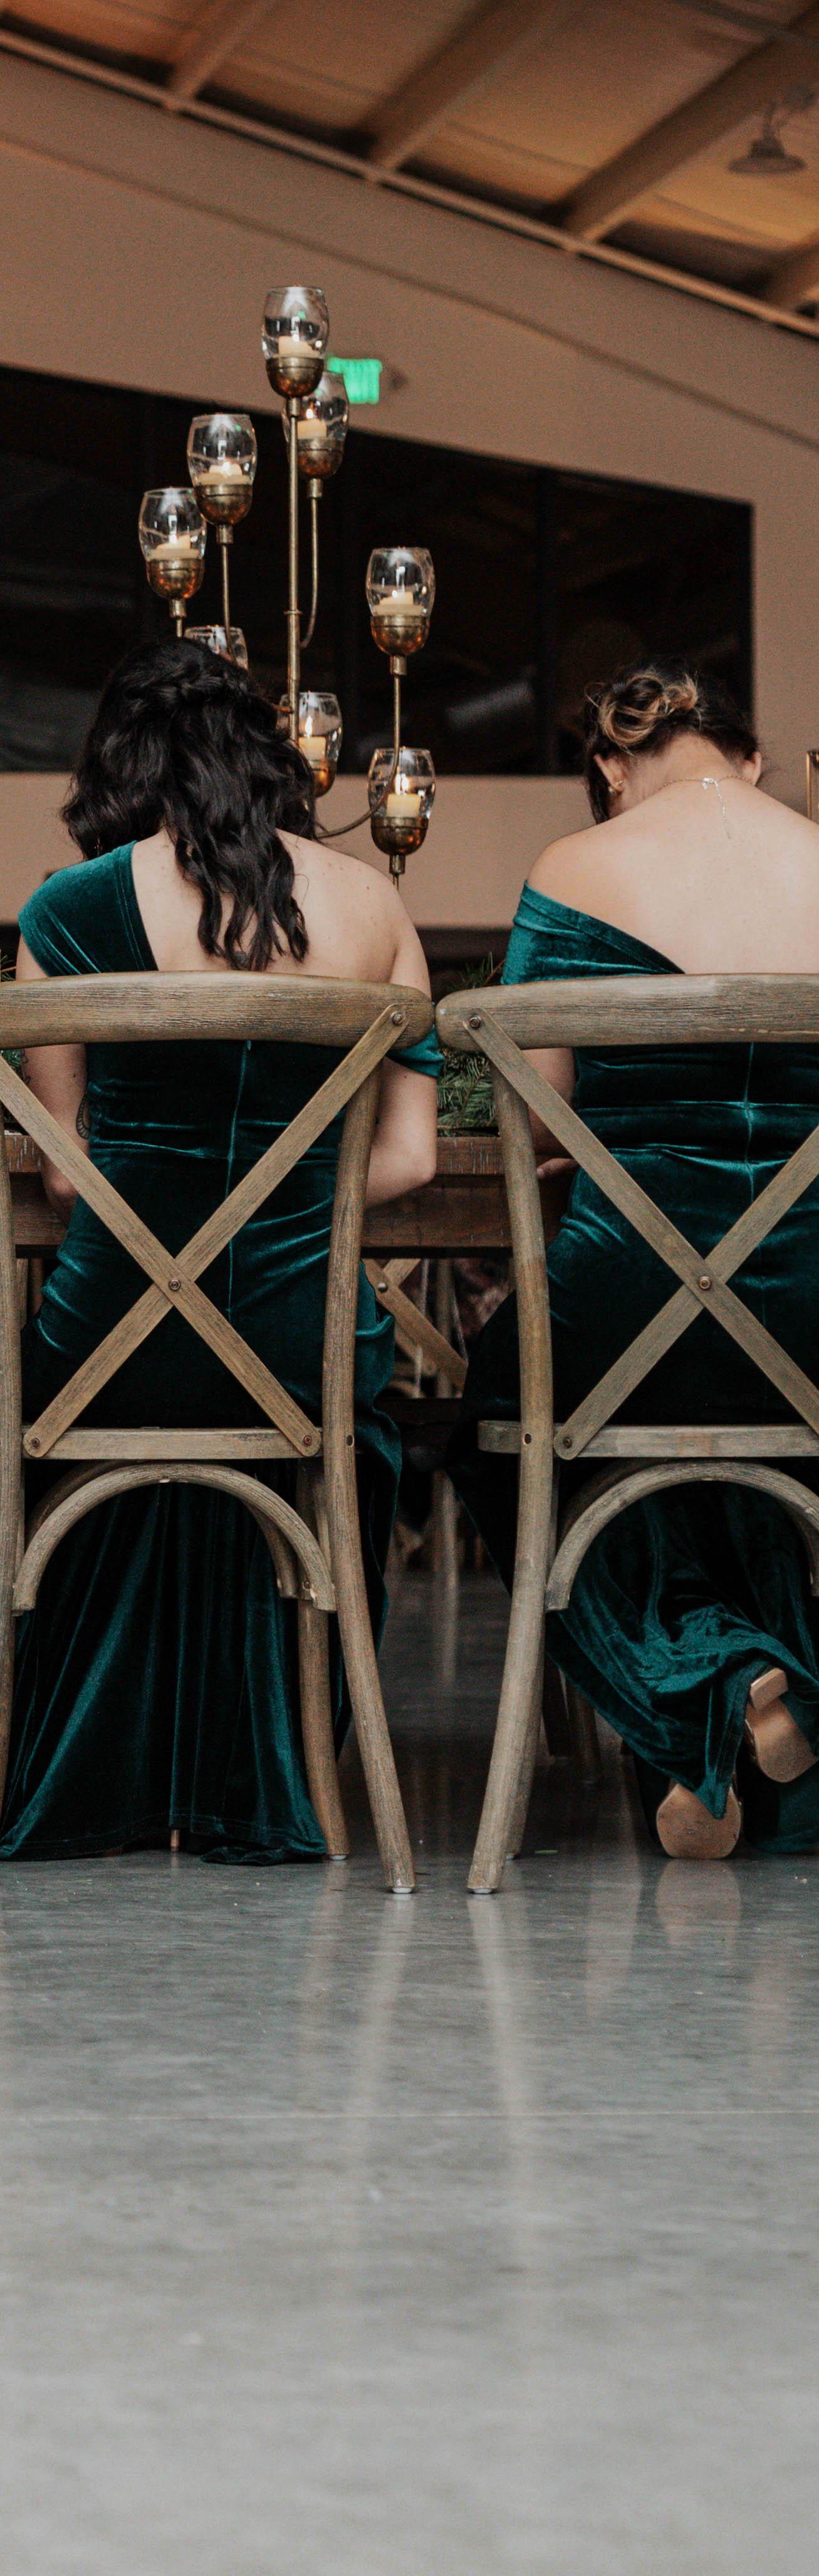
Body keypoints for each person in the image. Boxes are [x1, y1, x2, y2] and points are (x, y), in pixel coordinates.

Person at [0, 638, 437, 1862]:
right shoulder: (372, 907)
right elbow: (409, 1159)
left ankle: (102, 1776)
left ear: (118, 767)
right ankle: (267, 1769)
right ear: (267, 757)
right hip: (300, 1342)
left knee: (97, 1387)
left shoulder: (67, 909)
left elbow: (62, 1173)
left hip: (112, 1344)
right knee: (334, 1413)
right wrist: (272, 1200)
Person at [455, 664, 819, 1860]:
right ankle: (759, 1695)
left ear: (612, 766)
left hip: (628, 1297)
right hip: (811, 1306)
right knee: (745, 1438)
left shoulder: (575, 868)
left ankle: (710, 1687)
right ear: (749, 759)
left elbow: (537, 1116)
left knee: (514, 1416)